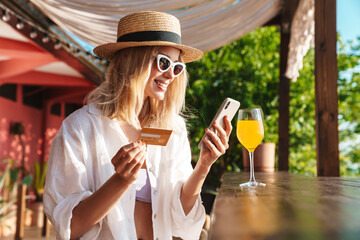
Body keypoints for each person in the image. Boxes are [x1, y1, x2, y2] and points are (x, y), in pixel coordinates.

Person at [43, 11, 232, 240]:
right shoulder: (79, 128)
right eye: (164, 62)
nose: (170, 75)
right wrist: (120, 181)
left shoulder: (174, 128)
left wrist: (204, 165)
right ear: (135, 60)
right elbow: (69, 227)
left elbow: (181, 219)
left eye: (177, 67)